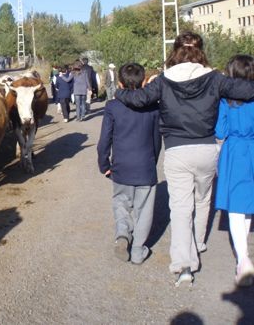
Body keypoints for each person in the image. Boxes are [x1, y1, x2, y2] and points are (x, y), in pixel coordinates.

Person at [114, 31, 254, 287]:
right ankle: (198, 243)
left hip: (177, 151)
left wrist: (118, 93)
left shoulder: (164, 80)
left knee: (180, 208)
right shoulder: (215, 78)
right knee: (202, 201)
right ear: (200, 51)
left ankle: (184, 266)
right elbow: (246, 90)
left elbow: (139, 98)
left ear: (175, 51)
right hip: (206, 148)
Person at [97, 63, 161, 265]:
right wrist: (153, 161)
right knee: (144, 212)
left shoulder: (112, 106)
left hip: (121, 166)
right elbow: (156, 141)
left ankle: (123, 234)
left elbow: (104, 140)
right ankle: (138, 251)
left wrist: (104, 164)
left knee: (121, 204)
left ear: (121, 83)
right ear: (144, 82)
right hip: (145, 167)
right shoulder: (154, 107)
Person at [214, 54, 254, 287]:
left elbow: (220, 130)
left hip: (236, 149)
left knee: (236, 207)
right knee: (247, 203)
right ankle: (243, 256)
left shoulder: (227, 99)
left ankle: (243, 258)